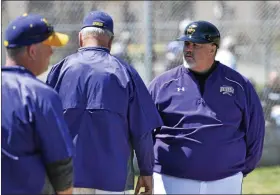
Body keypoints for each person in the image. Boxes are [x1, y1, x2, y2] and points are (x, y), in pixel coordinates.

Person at [46, 10, 163, 194]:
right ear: (110, 41)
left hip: (68, 177)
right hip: (112, 179)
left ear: (80, 38)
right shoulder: (125, 72)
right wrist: (146, 171)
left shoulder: (60, 70)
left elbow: (46, 126)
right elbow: (142, 132)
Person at [148, 20, 265, 194]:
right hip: (171, 179)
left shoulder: (239, 85)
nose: (188, 49)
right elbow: (144, 133)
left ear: (212, 48)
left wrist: (236, 170)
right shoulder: (161, 85)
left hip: (225, 181)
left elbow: (255, 134)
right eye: (186, 43)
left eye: (195, 44)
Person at [2, 13, 74, 194]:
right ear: (32, 51)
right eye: (48, 46)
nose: (52, 52)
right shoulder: (41, 95)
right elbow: (60, 164)